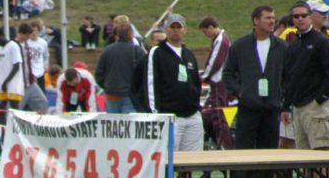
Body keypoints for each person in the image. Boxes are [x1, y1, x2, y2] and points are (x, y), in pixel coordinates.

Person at [222, 6, 287, 178]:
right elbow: (227, 74)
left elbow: (288, 76)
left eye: (273, 18)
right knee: (243, 151)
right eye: (267, 18)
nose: (272, 21)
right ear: (256, 20)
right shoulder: (241, 45)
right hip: (248, 108)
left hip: (271, 109)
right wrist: (242, 92)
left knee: (268, 153)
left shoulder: (281, 46)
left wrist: (281, 99)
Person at [282, 0, 329, 158]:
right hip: (298, 107)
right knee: (304, 155)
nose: (300, 18)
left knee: (322, 152)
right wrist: (286, 105)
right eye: (296, 16)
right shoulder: (294, 44)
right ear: (292, 19)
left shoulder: (322, 41)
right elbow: (289, 76)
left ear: (310, 17)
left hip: (316, 106)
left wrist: (320, 98)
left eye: (303, 15)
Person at [139, 14, 203, 151]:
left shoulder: (188, 54)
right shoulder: (157, 52)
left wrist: (197, 107)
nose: (175, 30)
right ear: (166, 30)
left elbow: (196, 82)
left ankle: (186, 175)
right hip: (170, 117)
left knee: (193, 161)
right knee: (168, 160)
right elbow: (150, 83)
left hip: (192, 116)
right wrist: (155, 114)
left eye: (179, 27)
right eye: (172, 27)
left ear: (185, 30)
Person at [198, 16, 232, 149]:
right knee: (209, 113)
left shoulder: (220, 40)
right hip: (219, 83)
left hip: (219, 84)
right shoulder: (222, 39)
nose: (205, 35)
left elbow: (215, 61)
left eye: (205, 31)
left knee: (219, 116)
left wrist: (203, 77)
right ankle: (219, 142)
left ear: (211, 27)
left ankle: (225, 146)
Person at [95, 23, 144, 114]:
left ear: (117, 35)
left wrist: (107, 86)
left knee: (112, 126)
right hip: (130, 96)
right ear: (131, 34)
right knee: (128, 126)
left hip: (111, 95)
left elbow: (99, 74)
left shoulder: (107, 50)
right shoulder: (137, 51)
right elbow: (144, 75)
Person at [0, 26, 24, 125]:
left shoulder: (13, 46)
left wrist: (7, 81)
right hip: (2, 84)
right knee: (0, 109)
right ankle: (4, 132)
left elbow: (17, 66)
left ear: (2, 35)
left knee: (15, 110)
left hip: (12, 83)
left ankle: (17, 132)